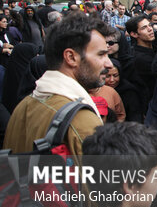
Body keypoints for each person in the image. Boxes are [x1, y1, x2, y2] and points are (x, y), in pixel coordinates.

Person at [3, 12, 113, 155]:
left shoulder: (25, 105)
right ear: (71, 57)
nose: (109, 63)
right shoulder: (80, 120)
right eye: (101, 54)